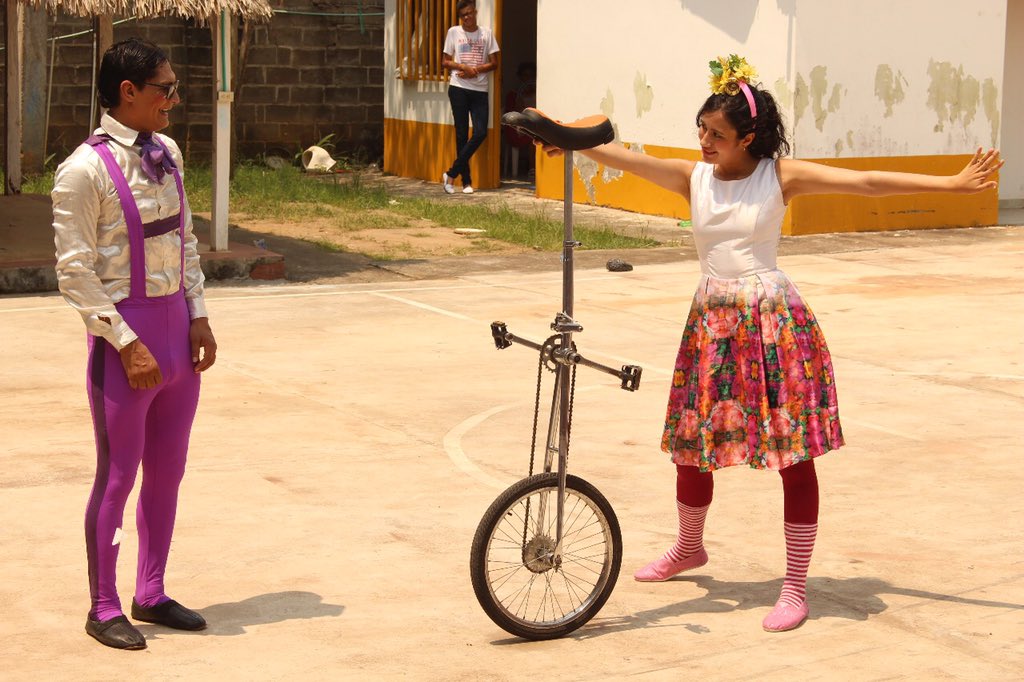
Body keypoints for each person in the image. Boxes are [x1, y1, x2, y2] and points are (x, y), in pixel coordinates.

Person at [544, 54, 1002, 632]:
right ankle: (689, 547)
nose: (705, 142)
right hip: (711, 323)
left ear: (748, 138)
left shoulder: (778, 176)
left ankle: (794, 585)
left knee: (793, 454)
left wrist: (952, 185)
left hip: (773, 325)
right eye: (701, 130)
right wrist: (557, 132)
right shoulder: (693, 177)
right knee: (691, 443)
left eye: (717, 135)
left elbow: (866, 184)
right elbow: (619, 154)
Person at [52, 38, 217, 650]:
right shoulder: (83, 170)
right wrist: (125, 343)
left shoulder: (167, 152)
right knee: (117, 476)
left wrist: (198, 315)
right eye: (165, 89)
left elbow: (185, 241)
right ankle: (103, 606)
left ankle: (152, 591)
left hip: (177, 336)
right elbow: (74, 272)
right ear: (129, 92)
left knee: (168, 473)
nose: (174, 99)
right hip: (126, 343)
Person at [441, 0, 500, 195]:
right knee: (461, 134)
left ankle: (451, 174)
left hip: (480, 90)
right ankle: (466, 181)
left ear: (475, 12)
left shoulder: (486, 33)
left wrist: (475, 70)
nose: (467, 17)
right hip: (458, 88)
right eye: (463, 15)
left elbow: (494, 63)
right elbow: (445, 61)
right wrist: (463, 67)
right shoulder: (453, 32)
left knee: (481, 132)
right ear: (460, 17)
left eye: (469, 13)